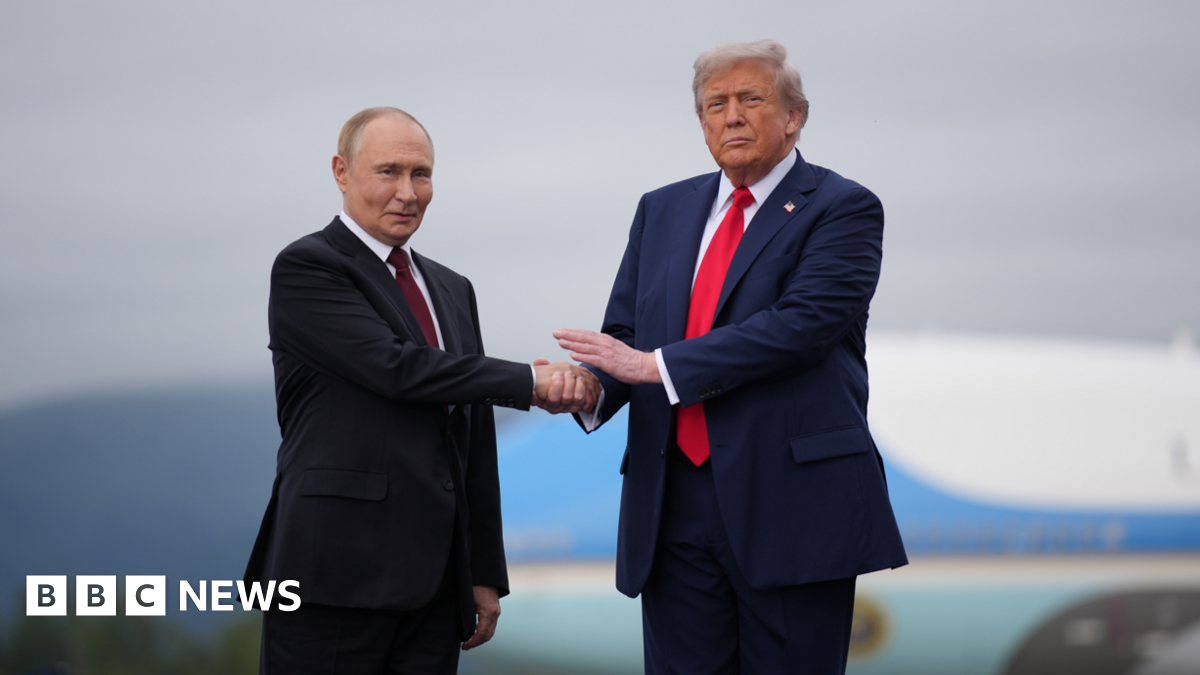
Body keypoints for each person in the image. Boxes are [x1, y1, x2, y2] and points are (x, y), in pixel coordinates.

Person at [551, 40, 908, 674]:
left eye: (751, 99)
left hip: (791, 505)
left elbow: (801, 327)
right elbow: (627, 332)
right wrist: (593, 385)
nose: (732, 116)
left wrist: (655, 368)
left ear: (794, 115)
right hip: (672, 505)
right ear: (701, 122)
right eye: (715, 104)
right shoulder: (660, 209)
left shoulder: (843, 207)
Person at [243, 106, 598, 674]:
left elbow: (472, 434)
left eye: (421, 174)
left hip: (435, 587)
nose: (408, 192)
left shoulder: (452, 288)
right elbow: (397, 369)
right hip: (331, 575)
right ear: (341, 171)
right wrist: (531, 381)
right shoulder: (308, 266)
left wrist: (482, 573)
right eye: (388, 172)